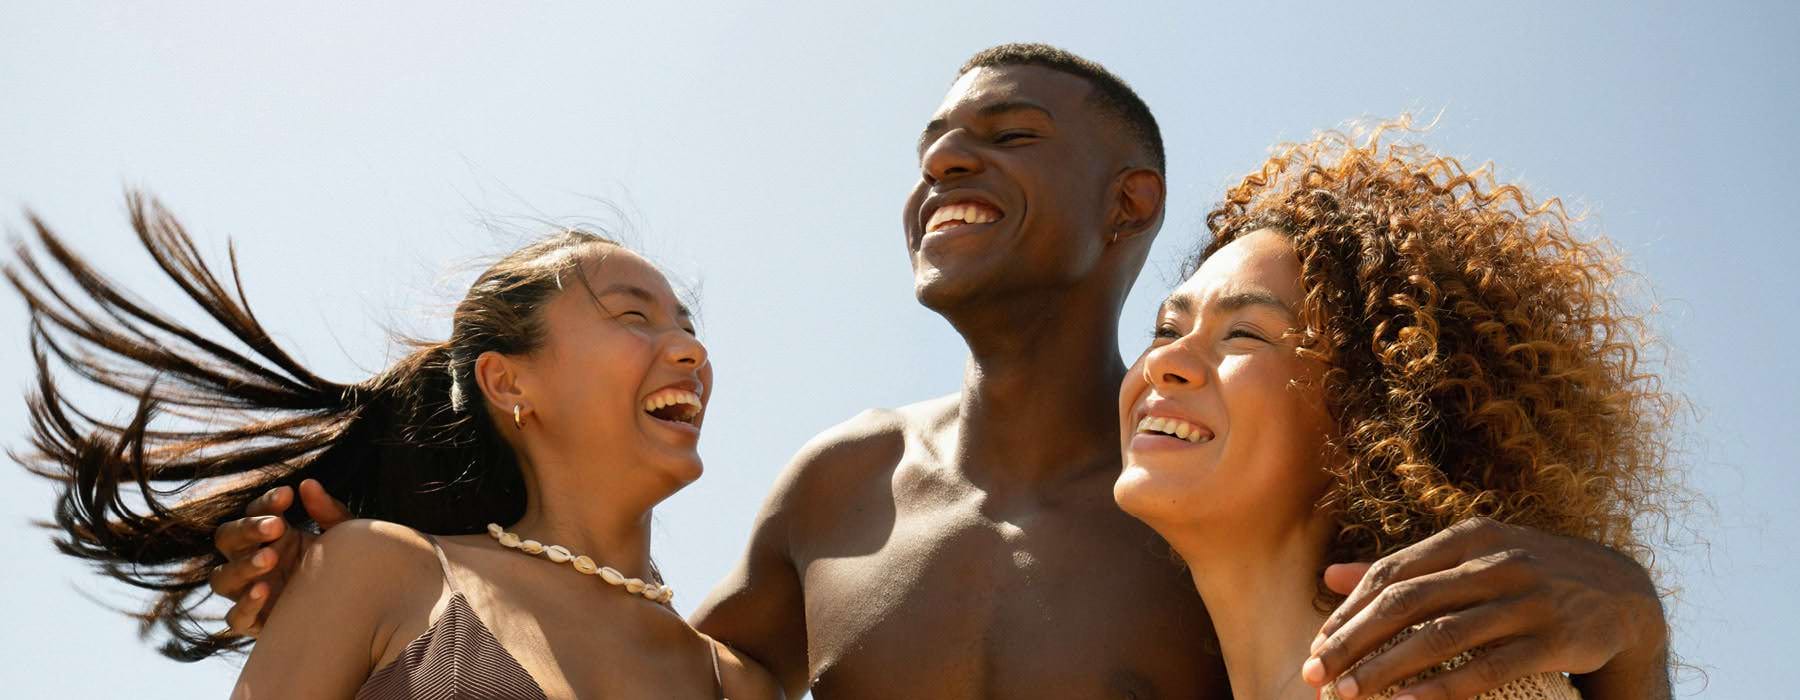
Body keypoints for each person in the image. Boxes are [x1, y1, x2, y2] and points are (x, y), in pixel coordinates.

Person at [208, 45, 1673, 699]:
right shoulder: (838, 487)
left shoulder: (1234, 500)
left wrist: (1629, 631)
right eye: (928, 150)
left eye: (1012, 135)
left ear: (1132, 204)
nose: (949, 161)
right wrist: (379, 577)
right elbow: (636, 660)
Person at [11, 197, 780, 699]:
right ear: (508, 383)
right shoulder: (379, 572)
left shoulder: (742, 684)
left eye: (687, 325)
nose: (688, 349)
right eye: (635, 317)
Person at [1116, 124, 1677, 699]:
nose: (1166, 362)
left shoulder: (1454, 685)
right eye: (1166, 329)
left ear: (1370, 412)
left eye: (1243, 334)